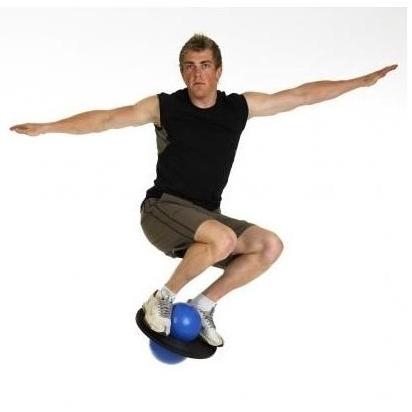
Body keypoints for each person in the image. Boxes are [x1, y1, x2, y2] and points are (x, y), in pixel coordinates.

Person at [10, 34, 397, 347]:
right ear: (182, 72)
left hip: (206, 217)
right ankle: (161, 300)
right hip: (162, 209)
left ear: (218, 70)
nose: (197, 74)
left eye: (205, 65)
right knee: (223, 238)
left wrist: (358, 82)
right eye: (190, 66)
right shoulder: (164, 107)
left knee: (269, 245)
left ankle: (203, 305)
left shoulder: (237, 108)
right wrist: (48, 127)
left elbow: (300, 96)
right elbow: (107, 119)